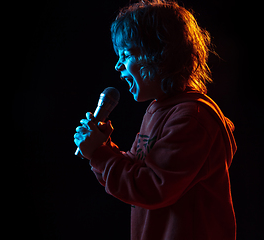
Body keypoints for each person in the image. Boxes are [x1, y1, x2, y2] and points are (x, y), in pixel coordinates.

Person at [74, 0, 237, 239]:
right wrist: (101, 148)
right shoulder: (158, 109)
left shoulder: (192, 117)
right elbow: (137, 170)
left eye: (127, 53)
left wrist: (99, 154)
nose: (118, 65)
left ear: (160, 54)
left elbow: (152, 188)